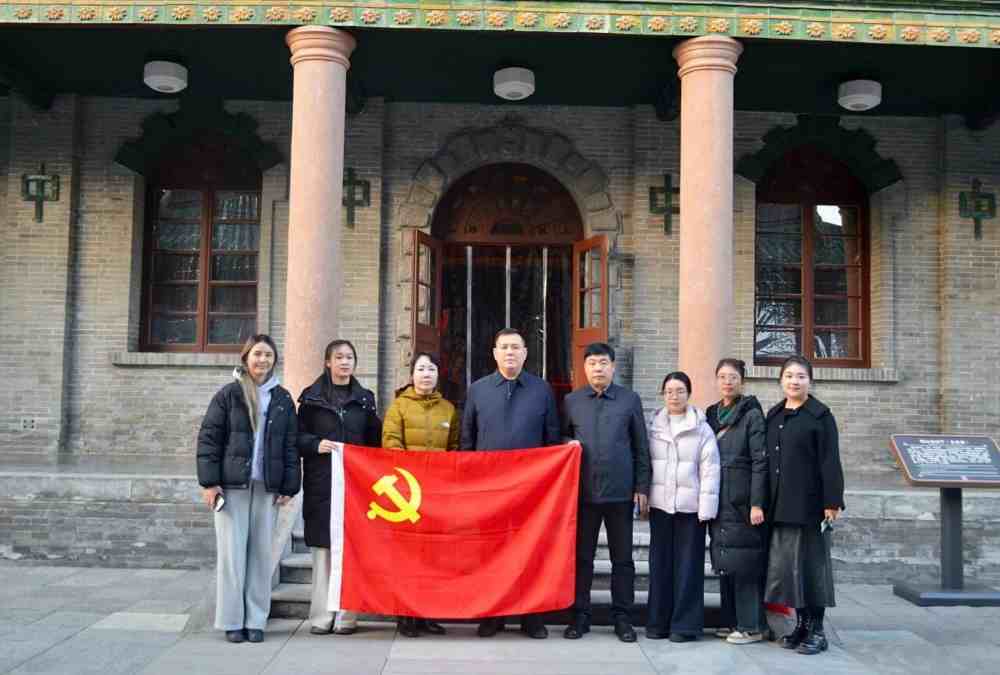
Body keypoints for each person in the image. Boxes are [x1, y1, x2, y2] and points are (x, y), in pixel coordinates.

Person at [196, 334, 300, 644]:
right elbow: (209, 439)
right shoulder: (228, 395)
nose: (262, 360)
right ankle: (231, 621)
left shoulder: (282, 399)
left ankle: (256, 620)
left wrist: (289, 485)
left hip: (266, 487)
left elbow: (291, 445)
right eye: (257, 354)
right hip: (232, 487)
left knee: (261, 556)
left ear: (274, 360)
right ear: (246, 358)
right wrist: (209, 483)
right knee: (232, 556)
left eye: (268, 354)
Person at [461, 327, 560, 639]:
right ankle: (493, 615)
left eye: (515, 347)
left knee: (532, 552)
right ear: (494, 353)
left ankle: (532, 617)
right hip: (489, 490)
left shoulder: (542, 390)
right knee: (491, 553)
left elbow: (552, 440)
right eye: (504, 347)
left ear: (525, 353)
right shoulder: (478, 390)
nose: (510, 352)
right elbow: (467, 440)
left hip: (531, 490)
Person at [561, 342, 651, 643]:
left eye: (603, 363)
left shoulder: (629, 400)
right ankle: (579, 616)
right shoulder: (572, 401)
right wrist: (567, 443)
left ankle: (623, 618)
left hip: (620, 494)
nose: (597, 368)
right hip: (583, 494)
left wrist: (641, 487)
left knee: (622, 560)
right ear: (584, 368)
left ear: (613, 367)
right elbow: (560, 437)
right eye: (592, 363)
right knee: (582, 558)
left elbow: (641, 446)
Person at [297, 339, 382, 636]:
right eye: (339, 357)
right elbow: (296, 437)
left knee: (352, 548)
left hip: (355, 486)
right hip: (322, 482)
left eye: (349, 357)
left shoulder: (365, 400)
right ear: (328, 362)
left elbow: (375, 442)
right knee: (323, 550)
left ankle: (347, 616)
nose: (345, 362)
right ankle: (322, 616)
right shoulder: (311, 399)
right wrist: (314, 444)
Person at [764, 355, 845, 655]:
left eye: (800, 376)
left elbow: (830, 460)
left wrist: (832, 501)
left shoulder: (820, 416)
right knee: (790, 570)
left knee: (812, 569)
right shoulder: (774, 415)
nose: (794, 381)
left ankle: (817, 631)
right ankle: (801, 625)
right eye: (789, 376)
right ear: (781, 380)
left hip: (811, 507)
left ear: (810, 381)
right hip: (780, 506)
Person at [382, 351, 459, 637]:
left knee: (433, 557)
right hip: (407, 496)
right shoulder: (398, 407)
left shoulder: (448, 410)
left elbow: (455, 449)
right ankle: (405, 616)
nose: (426, 374)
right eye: (421, 369)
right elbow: (391, 444)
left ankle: (427, 613)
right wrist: (412, 476)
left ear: (438, 374)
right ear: (412, 374)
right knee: (406, 557)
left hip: (437, 495)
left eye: (431, 369)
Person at [645, 371, 720, 642]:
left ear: (689, 394)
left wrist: (706, 508)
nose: (674, 396)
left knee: (688, 568)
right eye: (669, 391)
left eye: (679, 391)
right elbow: (645, 463)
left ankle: (685, 626)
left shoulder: (701, 428)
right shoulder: (653, 426)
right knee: (660, 566)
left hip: (691, 509)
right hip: (660, 507)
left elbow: (710, 469)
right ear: (662, 394)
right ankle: (657, 623)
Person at [705, 358, 769, 645]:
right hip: (719, 497)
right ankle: (731, 620)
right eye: (722, 376)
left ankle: (752, 626)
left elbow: (760, 461)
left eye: (733, 377)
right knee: (725, 560)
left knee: (745, 562)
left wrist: (757, 502)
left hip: (742, 500)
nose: (727, 382)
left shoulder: (752, 414)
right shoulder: (712, 413)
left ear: (742, 380)